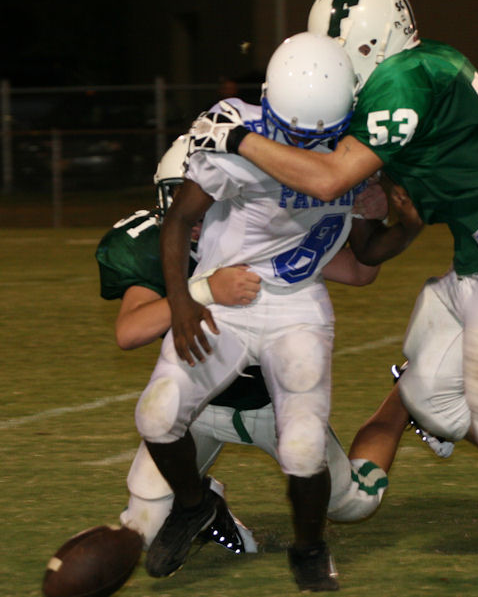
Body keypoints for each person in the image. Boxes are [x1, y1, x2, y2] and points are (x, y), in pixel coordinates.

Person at [192, 0, 478, 581]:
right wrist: (388, 198)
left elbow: (328, 178)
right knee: (430, 401)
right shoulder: (422, 68)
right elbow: (395, 186)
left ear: (364, 45)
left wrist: (237, 138)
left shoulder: (402, 79)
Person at [132, 31, 414, 592]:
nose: (309, 147)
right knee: (156, 416)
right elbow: (177, 220)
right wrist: (186, 300)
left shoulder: (356, 145)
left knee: (304, 446)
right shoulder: (236, 131)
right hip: (230, 302)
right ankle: (194, 507)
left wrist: (407, 225)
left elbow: (366, 252)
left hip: (297, 305)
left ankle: (309, 549)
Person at [96, 132, 412, 563]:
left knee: (355, 505)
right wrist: (207, 289)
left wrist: (362, 211)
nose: (199, 218)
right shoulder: (153, 244)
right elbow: (129, 331)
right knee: (147, 527)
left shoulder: (264, 230)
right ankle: (206, 508)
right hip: (201, 406)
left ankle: (402, 401)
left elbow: (359, 273)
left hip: (274, 406)